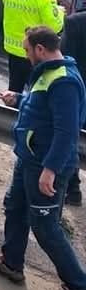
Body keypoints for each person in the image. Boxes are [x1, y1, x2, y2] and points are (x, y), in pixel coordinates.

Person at [0, 26, 86, 290]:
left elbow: (67, 133)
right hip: (29, 159)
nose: (26, 55)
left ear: (40, 49)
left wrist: (50, 170)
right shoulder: (48, 74)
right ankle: (12, 262)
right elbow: (40, 105)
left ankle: (78, 286)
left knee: (45, 227)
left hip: (46, 166)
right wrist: (18, 99)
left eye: (27, 50)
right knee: (14, 206)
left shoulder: (64, 82)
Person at [1, 0, 64, 94]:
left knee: (14, 89)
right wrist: (59, 12)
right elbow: (55, 27)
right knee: (34, 92)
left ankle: (8, 112)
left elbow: (5, 3)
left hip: (12, 48)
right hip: (32, 52)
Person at [59, 10, 86, 206]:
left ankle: (73, 189)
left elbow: (65, 60)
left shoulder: (75, 23)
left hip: (78, 92)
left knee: (70, 139)